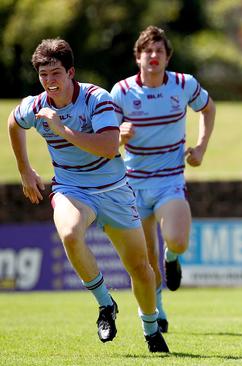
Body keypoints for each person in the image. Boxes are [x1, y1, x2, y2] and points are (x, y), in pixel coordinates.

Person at [7, 38, 169, 352]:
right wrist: (25, 169)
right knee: (69, 233)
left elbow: (109, 148)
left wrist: (61, 129)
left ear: (71, 73)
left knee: (142, 270)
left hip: (114, 190)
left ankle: (151, 330)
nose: (49, 82)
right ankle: (105, 305)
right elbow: (13, 122)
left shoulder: (98, 99)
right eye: (43, 76)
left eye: (55, 74)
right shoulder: (36, 106)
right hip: (71, 188)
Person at [110, 26, 216, 333]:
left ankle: (174, 258)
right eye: (147, 51)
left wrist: (201, 148)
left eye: (159, 51)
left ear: (167, 57)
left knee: (178, 240)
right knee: (145, 261)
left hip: (170, 180)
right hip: (132, 186)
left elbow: (208, 109)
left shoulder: (184, 84)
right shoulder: (122, 91)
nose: (153, 56)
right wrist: (119, 135)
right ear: (138, 57)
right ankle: (158, 311)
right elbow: (103, 137)